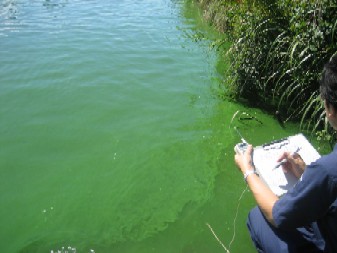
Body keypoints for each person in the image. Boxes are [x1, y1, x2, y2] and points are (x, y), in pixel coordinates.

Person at [234, 54, 337, 253]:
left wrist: (248, 170)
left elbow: (277, 215)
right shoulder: (325, 171)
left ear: (330, 109)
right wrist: (306, 172)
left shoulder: (327, 170)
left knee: (257, 218)